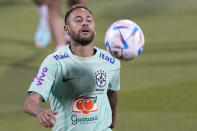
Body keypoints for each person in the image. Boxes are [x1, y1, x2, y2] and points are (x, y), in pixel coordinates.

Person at [24, 4, 120, 131]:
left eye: (89, 20)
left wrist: (112, 118)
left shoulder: (110, 61)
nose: (85, 23)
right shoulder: (54, 62)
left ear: (94, 29)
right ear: (66, 29)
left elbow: (112, 92)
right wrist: (40, 112)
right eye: (78, 20)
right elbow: (29, 103)